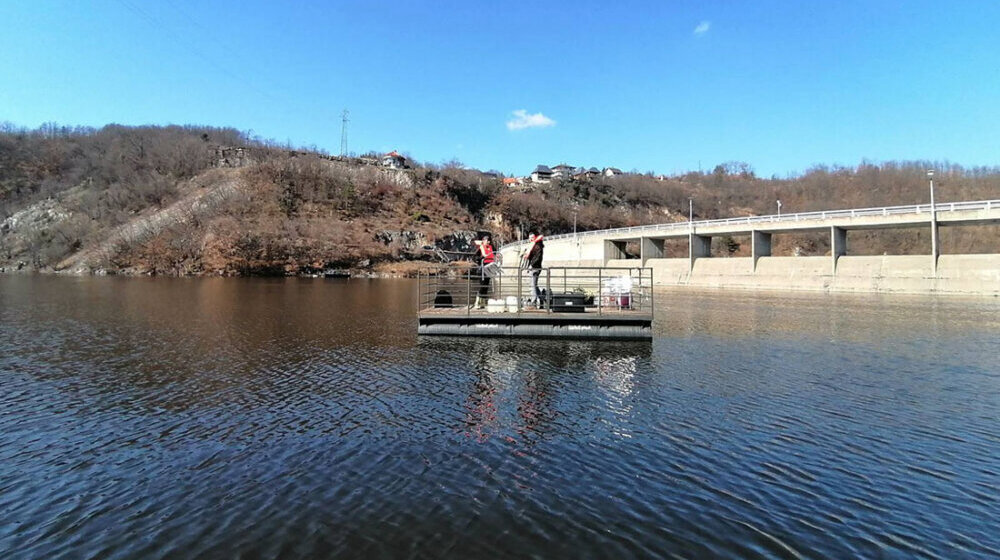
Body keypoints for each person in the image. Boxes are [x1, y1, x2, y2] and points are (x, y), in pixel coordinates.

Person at [472, 234, 495, 309]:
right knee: (482, 285)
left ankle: (483, 302)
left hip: (489, 267)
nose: (488, 242)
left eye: (488, 241)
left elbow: (494, 255)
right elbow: (476, 257)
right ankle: (477, 302)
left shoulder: (491, 247)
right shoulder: (481, 247)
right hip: (483, 268)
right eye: (486, 240)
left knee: (486, 286)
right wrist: (482, 257)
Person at [522, 233, 544, 307]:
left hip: (535, 268)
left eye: (532, 238)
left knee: (532, 285)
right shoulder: (535, 246)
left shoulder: (537, 246)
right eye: (529, 238)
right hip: (536, 267)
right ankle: (541, 299)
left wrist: (531, 265)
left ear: (534, 238)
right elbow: (532, 257)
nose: (530, 239)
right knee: (535, 285)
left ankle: (533, 302)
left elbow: (537, 258)